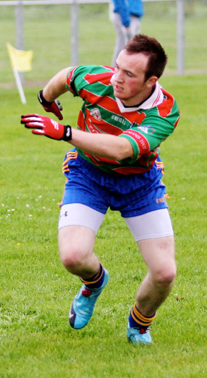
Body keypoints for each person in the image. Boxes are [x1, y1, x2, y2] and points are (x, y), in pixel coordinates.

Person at [21, 34, 180, 345]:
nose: (117, 78)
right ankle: (94, 282)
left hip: (140, 184)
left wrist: (66, 132)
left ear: (151, 81)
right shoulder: (98, 78)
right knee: (73, 256)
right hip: (89, 175)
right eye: (117, 67)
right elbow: (67, 76)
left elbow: (121, 149)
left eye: (129, 74)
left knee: (164, 274)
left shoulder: (163, 111)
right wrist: (46, 98)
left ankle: (139, 323)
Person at [111, 0, 143, 65]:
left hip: (134, 16)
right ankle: (116, 69)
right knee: (124, 46)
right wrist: (126, 22)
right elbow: (120, 3)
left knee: (133, 46)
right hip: (125, 17)